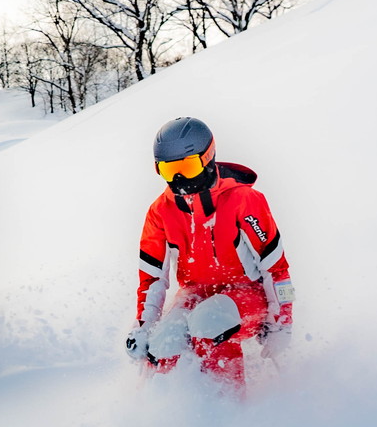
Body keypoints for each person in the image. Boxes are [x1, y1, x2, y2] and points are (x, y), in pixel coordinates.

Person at [126, 117, 294, 388]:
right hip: (195, 292)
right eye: (170, 171)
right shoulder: (160, 212)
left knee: (210, 321)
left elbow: (276, 268)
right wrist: (143, 327)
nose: (179, 179)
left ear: (208, 158)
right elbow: (152, 279)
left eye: (188, 167)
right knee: (163, 340)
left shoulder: (244, 200)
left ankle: (228, 410)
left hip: (247, 293)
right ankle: (157, 414)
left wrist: (282, 323)